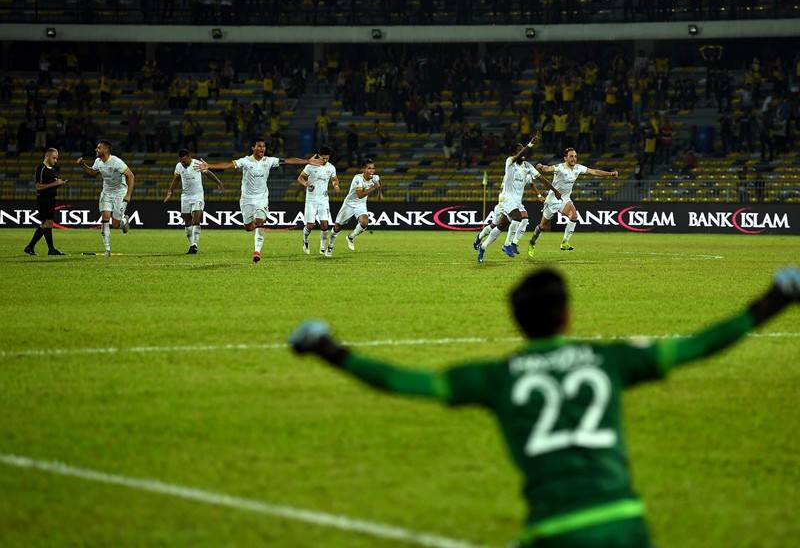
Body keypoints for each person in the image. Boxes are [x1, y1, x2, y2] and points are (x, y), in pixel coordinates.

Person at [289, 267, 800, 548]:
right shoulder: (609, 360)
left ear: (517, 323)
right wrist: (776, 299)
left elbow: (402, 381)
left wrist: (330, 350)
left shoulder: (496, 377)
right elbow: (700, 345)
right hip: (627, 522)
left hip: (555, 529)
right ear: (567, 315)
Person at [196, 138, 322, 263]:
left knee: (260, 222)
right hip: (246, 199)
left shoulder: (269, 161)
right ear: (253, 148)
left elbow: (288, 161)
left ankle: (257, 252)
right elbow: (228, 165)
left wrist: (307, 161)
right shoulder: (245, 161)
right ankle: (256, 227)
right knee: (248, 227)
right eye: (259, 146)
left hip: (262, 199)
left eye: (263, 146)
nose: (262, 148)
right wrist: (210, 166)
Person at [476, 136, 560, 264]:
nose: (523, 152)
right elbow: (520, 154)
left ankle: (483, 247)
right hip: (506, 198)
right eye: (520, 150)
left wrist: (555, 190)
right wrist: (530, 144)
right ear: (514, 153)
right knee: (517, 217)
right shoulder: (510, 162)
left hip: (516, 201)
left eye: (523, 150)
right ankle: (507, 244)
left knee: (501, 226)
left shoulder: (527, 166)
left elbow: (542, 179)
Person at [528, 148, 617, 255]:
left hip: (565, 199)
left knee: (574, 216)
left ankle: (565, 242)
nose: (574, 158)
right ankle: (532, 243)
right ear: (565, 158)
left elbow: (594, 171)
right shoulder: (560, 167)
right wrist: (541, 167)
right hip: (552, 200)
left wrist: (610, 174)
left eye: (575, 156)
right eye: (571, 156)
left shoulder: (578, 168)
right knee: (542, 226)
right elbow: (547, 169)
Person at [76, 140, 134, 256]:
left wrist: (128, 194)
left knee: (115, 224)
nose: (96, 150)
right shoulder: (98, 161)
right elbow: (93, 172)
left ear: (106, 150)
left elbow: (131, 176)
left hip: (120, 193)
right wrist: (83, 164)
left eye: (98, 148)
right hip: (106, 193)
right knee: (105, 218)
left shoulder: (116, 162)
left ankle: (123, 220)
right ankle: (107, 250)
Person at [163, 149, 224, 254]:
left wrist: (218, 182)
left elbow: (207, 173)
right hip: (185, 197)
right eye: (181, 161)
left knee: (196, 220)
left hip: (197, 196)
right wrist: (170, 191)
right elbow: (176, 179)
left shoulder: (197, 163)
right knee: (187, 221)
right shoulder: (179, 166)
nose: (183, 163)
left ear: (188, 157)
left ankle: (195, 245)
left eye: (184, 161)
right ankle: (191, 244)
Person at [327, 159, 380, 256]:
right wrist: (374, 188)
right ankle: (330, 246)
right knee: (338, 227)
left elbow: (378, 187)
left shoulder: (376, 177)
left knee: (364, 222)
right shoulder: (357, 178)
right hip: (349, 204)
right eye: (369, 168)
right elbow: (360, 195)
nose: (372, 170)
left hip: (361, 204)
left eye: (373, 168)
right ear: (363, 169)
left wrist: (379, 193)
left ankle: (350, 237)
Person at [297, 146, 339, 257]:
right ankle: (305, 240)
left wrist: (335, 185)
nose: (325, 160)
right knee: (310, 225)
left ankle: (322, 247)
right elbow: (300, 178)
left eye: (327, 158)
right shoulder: (310, 166)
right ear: (318, 155)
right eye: (323, 158)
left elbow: (334, 179)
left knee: (325, 225)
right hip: (311, 199)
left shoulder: (331, 168)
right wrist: (306, 184)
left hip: (323, 199)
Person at [24, 147, 67, 256]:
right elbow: (38, 186)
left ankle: (33, 247)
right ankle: (47, 248)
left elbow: (53, 183)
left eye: (56, 158)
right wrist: (55, 184)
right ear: (47, 156)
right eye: (54, 158)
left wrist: (59, 182)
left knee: (48, 224)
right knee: (46, 223)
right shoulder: (41, 168)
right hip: (43, 199)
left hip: (51, 198)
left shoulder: (52, 169)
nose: (55, 160)